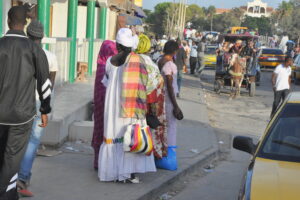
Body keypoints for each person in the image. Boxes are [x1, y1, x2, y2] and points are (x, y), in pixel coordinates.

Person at [0, 6, 51, 200]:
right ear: (26, 23)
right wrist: (45, 109)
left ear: (7, 21)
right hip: (21, 117)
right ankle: (8, 195)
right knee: (12, 159)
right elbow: (45, 85)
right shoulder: (34, 50)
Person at [98, 28, 156, 183]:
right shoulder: (140, 60)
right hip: (132, 107)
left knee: (114, 137)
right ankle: (128, 173)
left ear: (117, 44)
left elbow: (105, 82)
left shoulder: (110, 61)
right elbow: (149, 85)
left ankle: (112, 172)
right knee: (130, 137)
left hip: (113, 106)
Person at [16, 20, 58, 197]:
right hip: (41, 102)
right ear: (41, 37)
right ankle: (22, 179)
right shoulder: (50, 56)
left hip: (20, 101)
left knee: (16, 140)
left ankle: (10, 179)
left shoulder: (19, 53)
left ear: (28, 34)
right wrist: (46, 109)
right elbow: (50, 84)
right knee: (33, 141)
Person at [135, 34, 166, 159]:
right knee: (146, 133)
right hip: (149, 102)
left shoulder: (132, 61)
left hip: (133, 102)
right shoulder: (152, 64)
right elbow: (158, 84)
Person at [91, 40, 117, 171]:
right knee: (108, 131)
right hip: (109, 106)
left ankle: (97, 161)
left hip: (99, 106)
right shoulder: (111, 66)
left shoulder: (100, 65)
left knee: (99, 129)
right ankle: (106, 162)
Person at [158, 41, 183, 151]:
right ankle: (169, 153)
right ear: (174, 51)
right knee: (171, 126)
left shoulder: (159, 60)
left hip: (160, 97)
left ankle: (161, 150)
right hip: (168, 99)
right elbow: (170, 86)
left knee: (162, 125)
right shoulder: (170, 65)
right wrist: (176, 106)